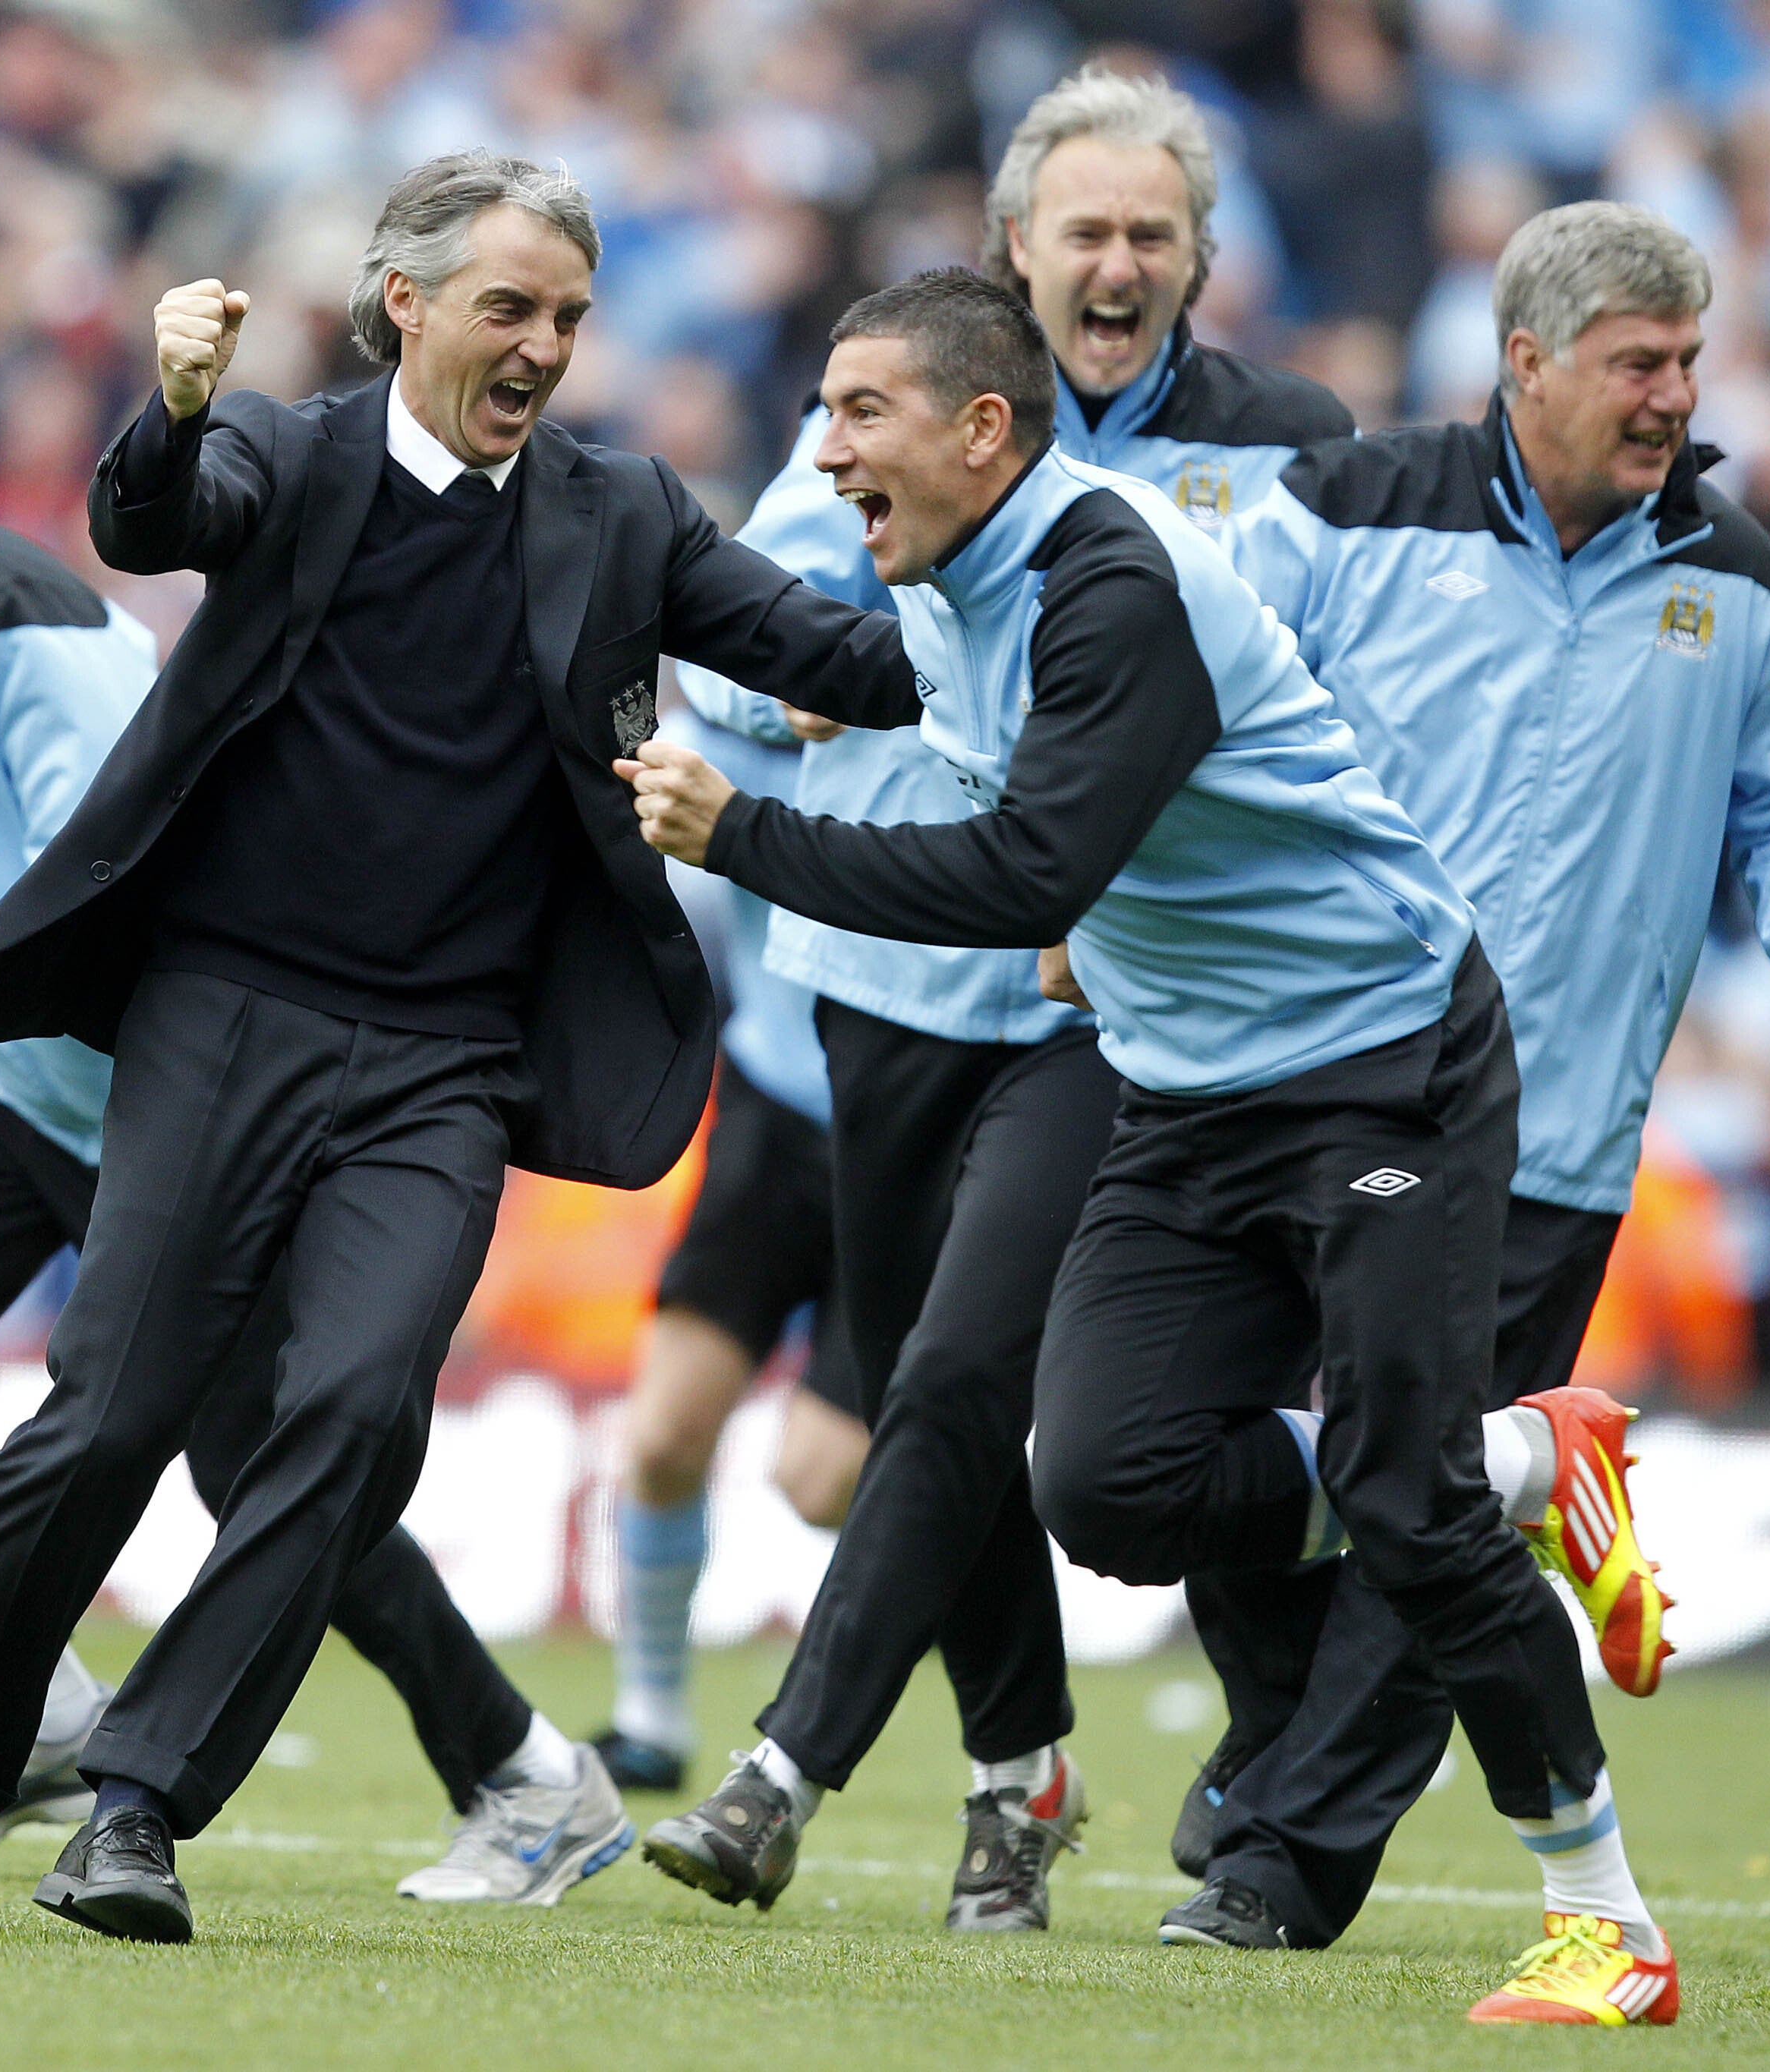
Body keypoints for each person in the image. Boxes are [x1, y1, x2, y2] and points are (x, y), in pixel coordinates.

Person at [0, 151, 918, 1943]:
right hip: (222, 1021)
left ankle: (137, 1806)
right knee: (104, 1423)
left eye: (571, 318)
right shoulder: (283, 455)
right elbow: (149, 519)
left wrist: (982, 551)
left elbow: (854, 657)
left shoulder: (625, 513)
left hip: (444, 1065)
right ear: (404, 301)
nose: (543, 346)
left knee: (354, 1419)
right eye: (509, 306)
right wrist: (177, 401)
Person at [622, 267, 1677, 2025]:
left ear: (982, 428)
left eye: (859, 413)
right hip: (1191, 1087)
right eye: (822, 412)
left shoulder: (1111, 584)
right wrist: (646, 615)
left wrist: (745, 836)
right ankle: (1516, 1462)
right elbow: (840, 675)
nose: (826, 449)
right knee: (1100, 1483)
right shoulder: (954, 578)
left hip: (1381, 1065)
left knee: (1399, 1505)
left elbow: (1032, 872)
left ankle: (1607, 1923)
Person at [0, 307, 619, 1906]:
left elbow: (96, 878)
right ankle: (45, 1707)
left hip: (159, 1084)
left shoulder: (25, 614)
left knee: (249, 1460)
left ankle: (524, 1772)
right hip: (7, 1073)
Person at [1160, 201, 1770, 1979]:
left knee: (1405, 1521)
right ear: (1526, 362)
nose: (1672, 395)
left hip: (1547, 1136)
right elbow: (1186, 706)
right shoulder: (1348, 510)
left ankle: (1284, 1874)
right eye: (1635, 363)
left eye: (1687, 361)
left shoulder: (1737, 585)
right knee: (1188, 1460)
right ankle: (1457, 1541)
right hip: (1301, 1083)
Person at [636, 64, 1357, 1934]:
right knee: (925, 1419)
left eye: (1152, 234)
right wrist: (783, 687)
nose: (1116, 262)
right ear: (1016, 249)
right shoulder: (875, 412)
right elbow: (739, 646)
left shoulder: (1293, 455)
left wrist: (1097, 859)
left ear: (1200, 260)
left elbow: (1323, 700)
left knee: (959, 1379)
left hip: (1103, 1016)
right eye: (1084, 231)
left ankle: (786, 1765)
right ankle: (1020, 1773)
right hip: (872, 986)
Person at [591, 705, 868, 1798]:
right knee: (661, 1434)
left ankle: (999, 1707)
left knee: (821, 1479)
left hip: (916, 1116)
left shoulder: (962, 697)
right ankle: (648, 1715)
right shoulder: (735, 718)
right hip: (770, 1103)